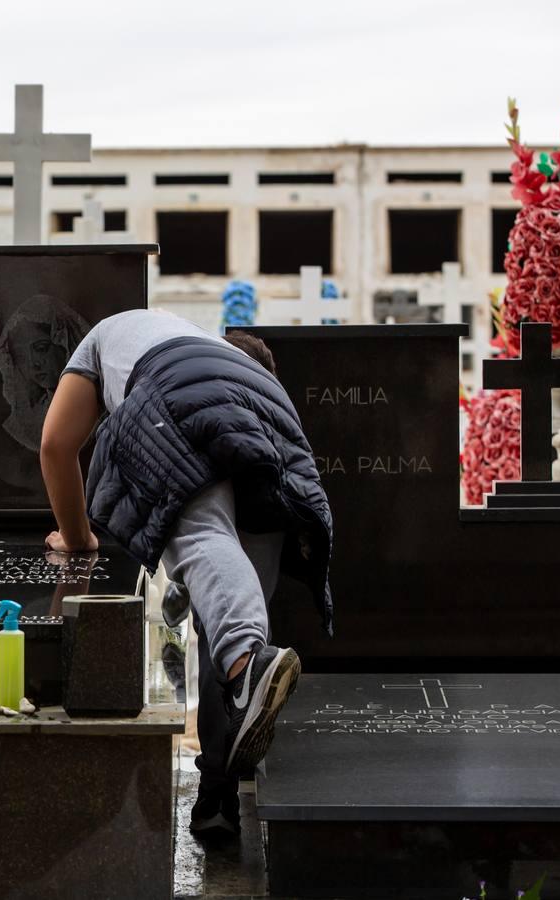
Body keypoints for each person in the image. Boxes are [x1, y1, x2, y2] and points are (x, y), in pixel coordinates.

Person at [38, 309, 332, 840]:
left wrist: (78, 539)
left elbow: (57, 445)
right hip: (272, 412)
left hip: (180, 391)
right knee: (222, 614)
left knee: (201, 540)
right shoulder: (192, 333)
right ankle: (217, 795)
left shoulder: (101, 337)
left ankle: (247, 666)